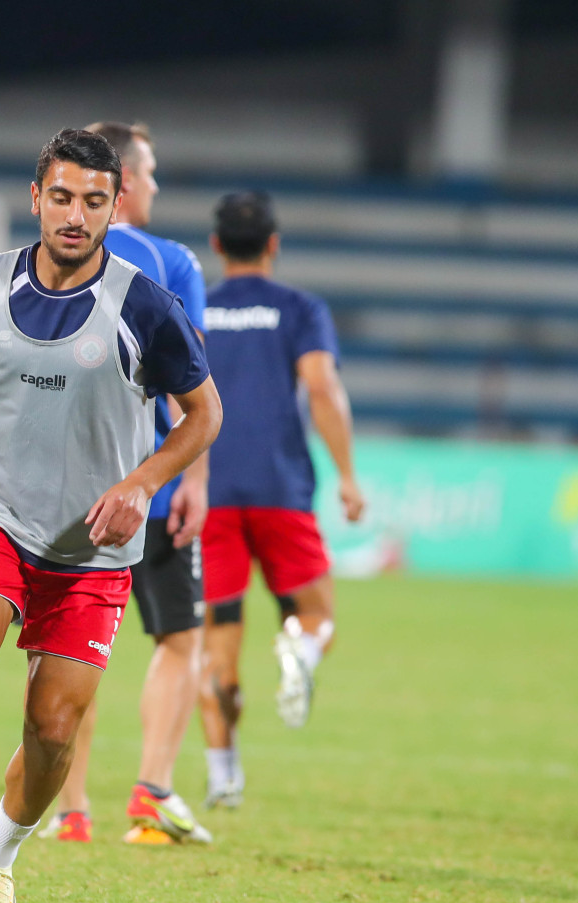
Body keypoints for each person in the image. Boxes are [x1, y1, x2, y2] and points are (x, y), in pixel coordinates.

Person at [0, 129, 221, 903]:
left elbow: (205, 413)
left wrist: (143, 483)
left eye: (96, 200)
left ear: (117, 208)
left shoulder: (144, 304)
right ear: (37, 196)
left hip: (92, 549)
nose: (77, 215)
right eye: (64, 197)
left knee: (54, 727)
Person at [37, 120, 213, 845]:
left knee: (61, 646)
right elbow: (195, 384)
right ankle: (152, 793)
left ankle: (70, 808)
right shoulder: (172, 261)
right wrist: (194, 481)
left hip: (60, 494)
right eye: (153, 172)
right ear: (129, 183)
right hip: (151, 491)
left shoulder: (45, 259)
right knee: (178, 639)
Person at [196, 191, 365, 808]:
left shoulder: (198, 309)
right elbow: (321, 386)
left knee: (219, 642)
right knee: (317, 616)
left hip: (209, 492)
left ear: (216, 246)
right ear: (273, 242)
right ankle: (302, 644)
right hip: (280, 490)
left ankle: (222, 775)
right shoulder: (300, 309)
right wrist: (347, 475)